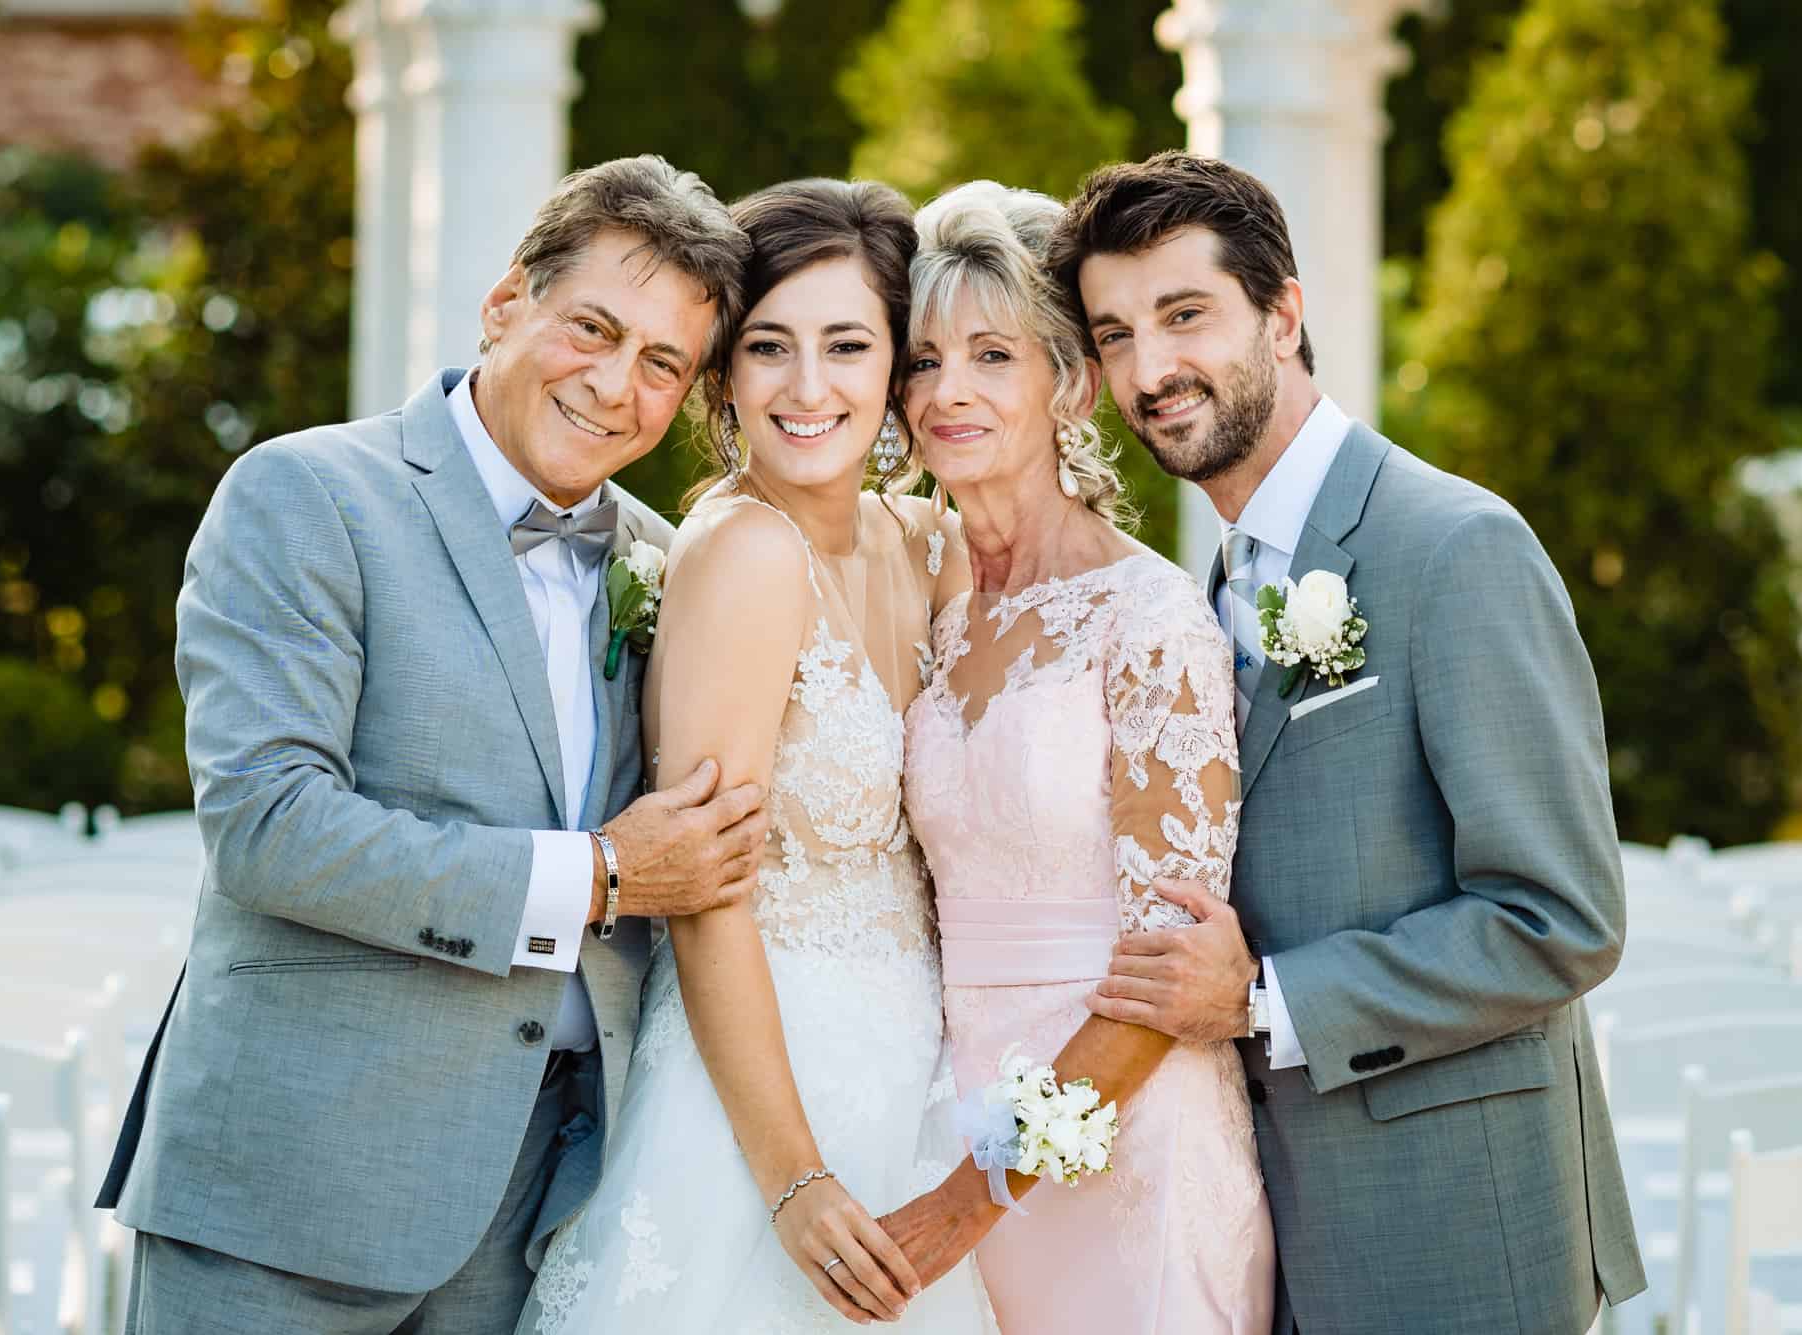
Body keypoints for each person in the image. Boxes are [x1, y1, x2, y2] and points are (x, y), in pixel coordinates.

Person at [95, 155, 771, 1334]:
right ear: (506, 301)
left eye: (661, 364)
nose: (615, 386)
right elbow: (269, 826)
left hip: (535, 1210)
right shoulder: (307, 494)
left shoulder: (666, 563)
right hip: (289, 1200)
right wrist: (601, 878)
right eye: (592, 330)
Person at [1055, 150, 1647, 1334]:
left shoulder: (1452, 548)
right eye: (1113, 335)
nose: (1149, 369)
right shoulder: (1201, 587)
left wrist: (1267, 999)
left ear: (1282, 315)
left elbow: (1559, 919)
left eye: (1184, 317)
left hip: (1449, 1225)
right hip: (1271, 1226)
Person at [520, 178, 997, 1333]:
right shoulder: (742, 552)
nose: (807, 387)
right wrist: (791, 1177)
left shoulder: (922, 539)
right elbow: (703, 896)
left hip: (911, 1078)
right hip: (760, 1101)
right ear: (726, 372)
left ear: (896, 366)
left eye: (847, 345)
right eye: (769, 347)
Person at [886, 180, 1275, 1333]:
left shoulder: (1146, 617)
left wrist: (973, 1194)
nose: (944, 391)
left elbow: (1169, 970)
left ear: (1067, 382)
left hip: (1128, 1146)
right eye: (919, 361)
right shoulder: (923, 597)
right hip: (940, 1105)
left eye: (989, 356)